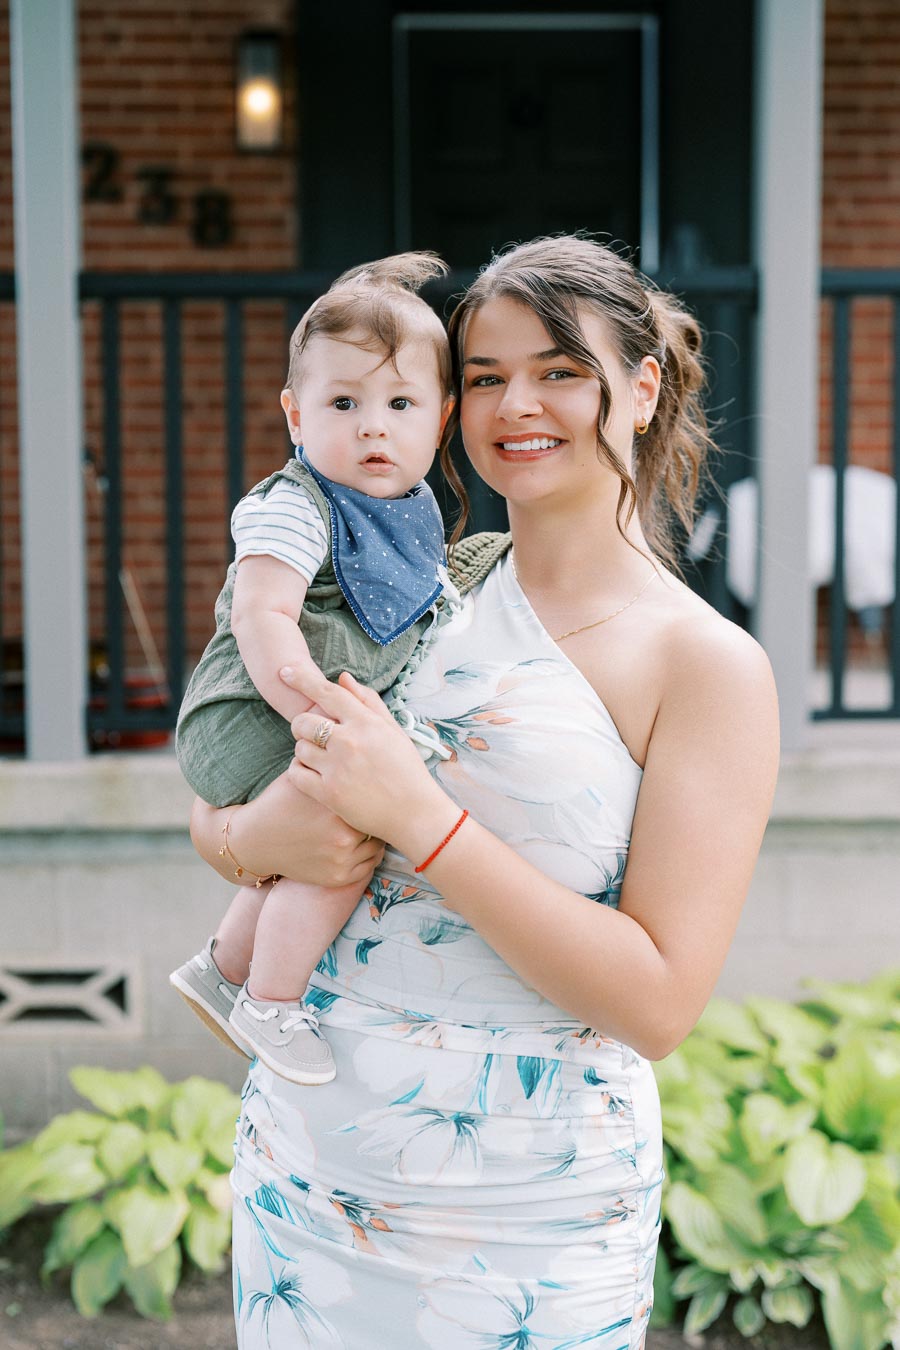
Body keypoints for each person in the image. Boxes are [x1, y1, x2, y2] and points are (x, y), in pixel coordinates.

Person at [189, 235, 779, 1348]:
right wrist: (260, 833)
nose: (518, 404)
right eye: (482, 376)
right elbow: (224, 803)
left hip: (529, 1206)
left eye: (559, 369)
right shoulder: (415, 586)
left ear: (641, 388)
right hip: (311, 1167)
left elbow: (657, 1004)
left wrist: (422, 819)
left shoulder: (704, 667)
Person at [170, 252, 472, 1085]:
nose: (374, 426)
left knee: (335, 823)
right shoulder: (293, 507)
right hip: (251, 712)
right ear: (296, 416)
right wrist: (313, 708)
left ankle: (221, 967)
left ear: (439, 421)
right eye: (344, 403)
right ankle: (270, 1000)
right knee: (355, 822)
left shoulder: (407, 520)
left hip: (291, 715)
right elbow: (262, 616)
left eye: (401, 404)